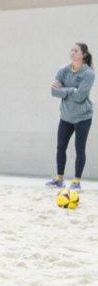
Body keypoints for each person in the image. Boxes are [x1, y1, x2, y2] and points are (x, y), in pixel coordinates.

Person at [48, 42, 94, 190]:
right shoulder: (63, 70)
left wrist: (64, 90)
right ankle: (59, 179)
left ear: (83, 55)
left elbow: (81, 96)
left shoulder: (88, 74)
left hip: (83, 117)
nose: (72, 53)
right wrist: (72, 90)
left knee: (79, 149)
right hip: (66, 116)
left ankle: (76, 181)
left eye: (76, 51)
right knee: (61, 147)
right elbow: (53, 92)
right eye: (72, 50)